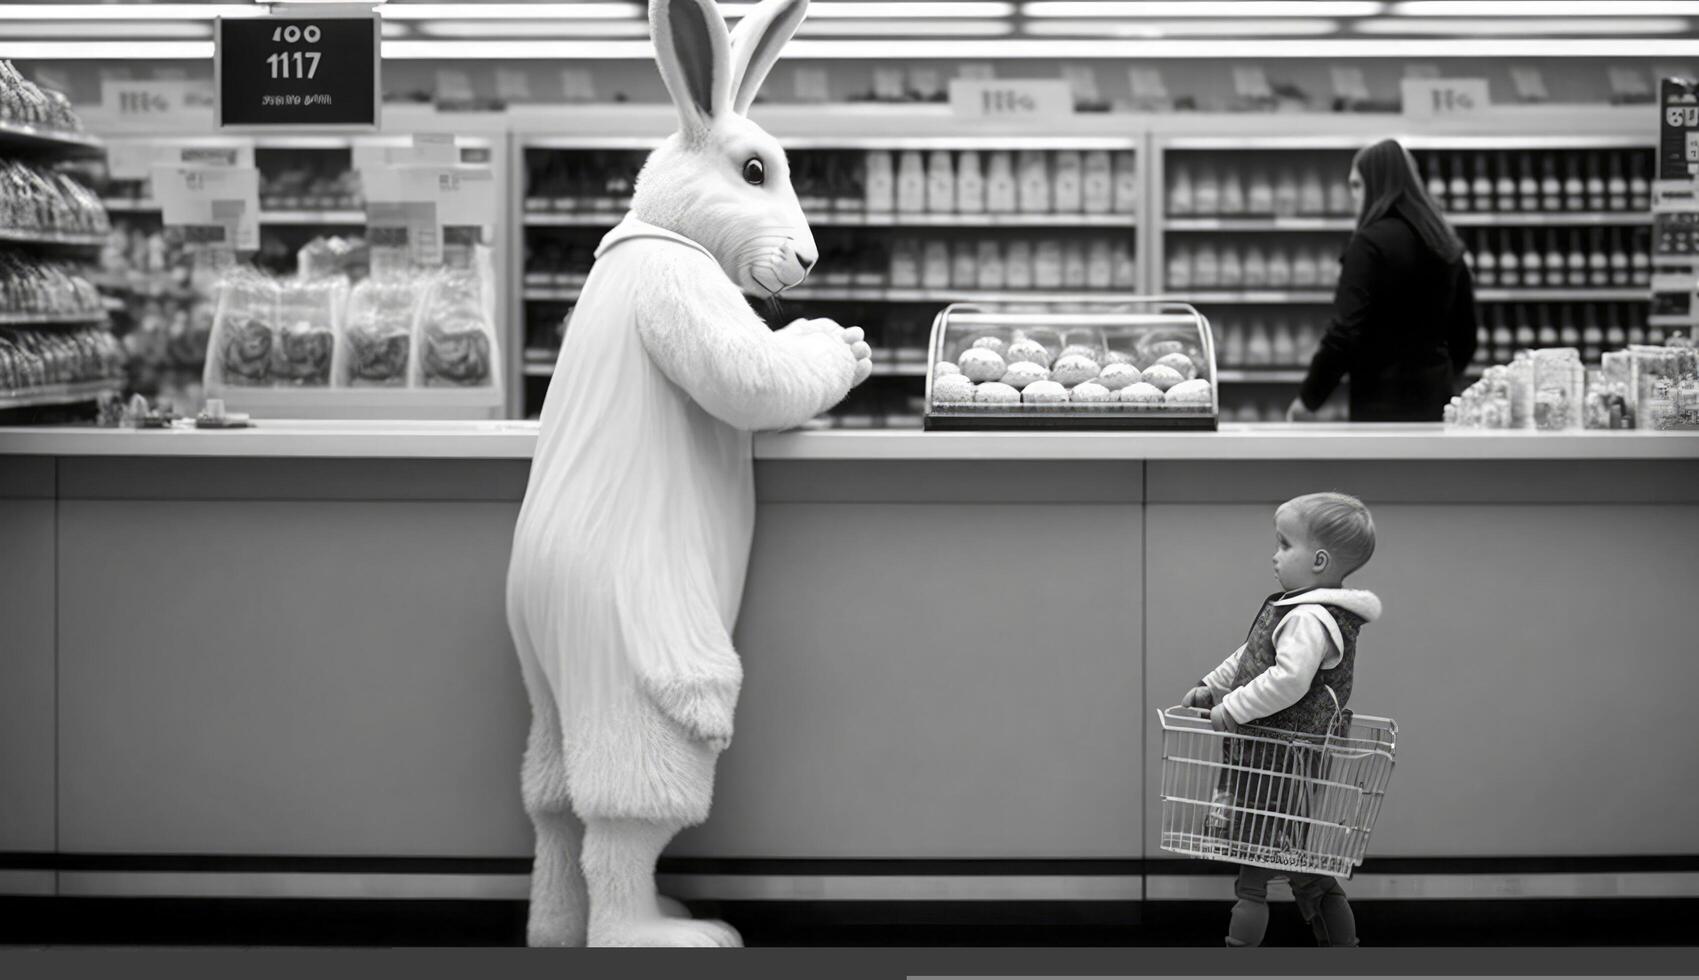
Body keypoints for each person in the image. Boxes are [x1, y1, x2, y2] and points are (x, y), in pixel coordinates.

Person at [1179, 492, 1383, 946]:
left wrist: (1231, 708)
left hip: (1282, 762)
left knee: (1257, 872)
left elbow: (1288, 679)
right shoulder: (1296, 609)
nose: (1274, 556)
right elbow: (1252, 656)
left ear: (1319, 560)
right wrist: (1214, 687)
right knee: (1302, 870)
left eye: (1285, 545)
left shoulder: (1310, 617)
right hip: (1278, 758)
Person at [1288, 139, 1477, 422]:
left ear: (1377, 186)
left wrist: (1309, 399)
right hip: (1436, 401)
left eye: (1356, 185)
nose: (1352, 195)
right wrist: (1439, 374)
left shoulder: (1369, 244)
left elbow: (1344, 332)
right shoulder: (1444, 242)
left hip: (1379, 405)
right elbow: (1466, 336)